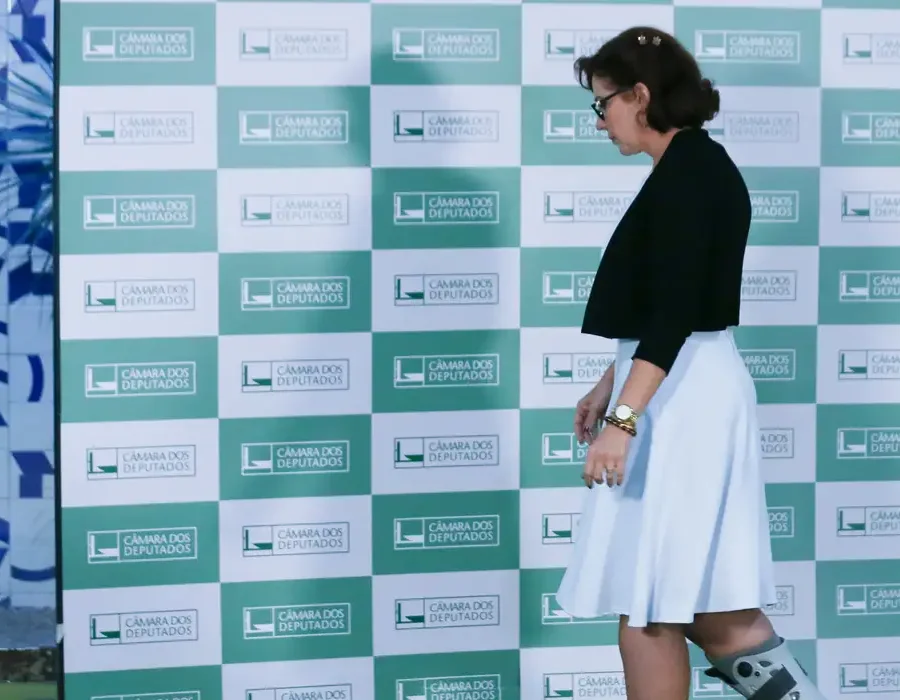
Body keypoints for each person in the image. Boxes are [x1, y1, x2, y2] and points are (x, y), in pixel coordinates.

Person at [553, 26, 828, 700]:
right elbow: (667, 304)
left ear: (640, 96)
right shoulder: (690, 167)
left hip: (683, 400)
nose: (600, 121)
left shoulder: (689, 174)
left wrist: (622, 420)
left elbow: (678, 312)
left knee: (653, 611)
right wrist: (611, 381)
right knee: (699, 612)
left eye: (603, 104)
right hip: (675, 386)